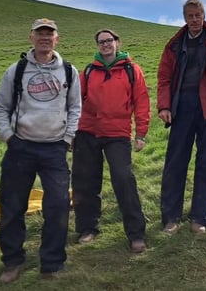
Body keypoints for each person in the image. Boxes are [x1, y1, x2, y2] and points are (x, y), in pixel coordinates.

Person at [0, 18, 81, 283]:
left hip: (55, 149)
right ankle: (12, 261)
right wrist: (9, 137)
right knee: (12, 206)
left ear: (57, 39)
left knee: (58, 206)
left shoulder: (68, 71)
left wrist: (67, 139)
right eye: (39, 33)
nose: (44, 38)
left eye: (49, 34)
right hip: (21, 148)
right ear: (31, 37)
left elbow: (75, 107)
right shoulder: (17, 70)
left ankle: (51, 263)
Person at [157, 0, 206, 234]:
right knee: (175, 163)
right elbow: (164, 77)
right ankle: (171, 217)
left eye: (198, 15)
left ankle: (199, 217)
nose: (194, 20)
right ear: (184, 17)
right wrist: (164, 106)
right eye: (190, 16)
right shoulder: (175, 44)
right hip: (182, 107)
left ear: (204, 15)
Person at [72, 29, 150, 254]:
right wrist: (70, 132)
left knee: (124, 180)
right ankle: (88, 228)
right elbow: (75, 102)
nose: (105, 45)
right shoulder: (88, 71)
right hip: (87, 131)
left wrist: (141, 133)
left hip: (117, 133)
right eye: (101, 42)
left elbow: (141, 101)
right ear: (97, 46)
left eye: (109, 41)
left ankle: (136, 234)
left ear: (117, 43)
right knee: (85, 182)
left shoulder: (131, 70)